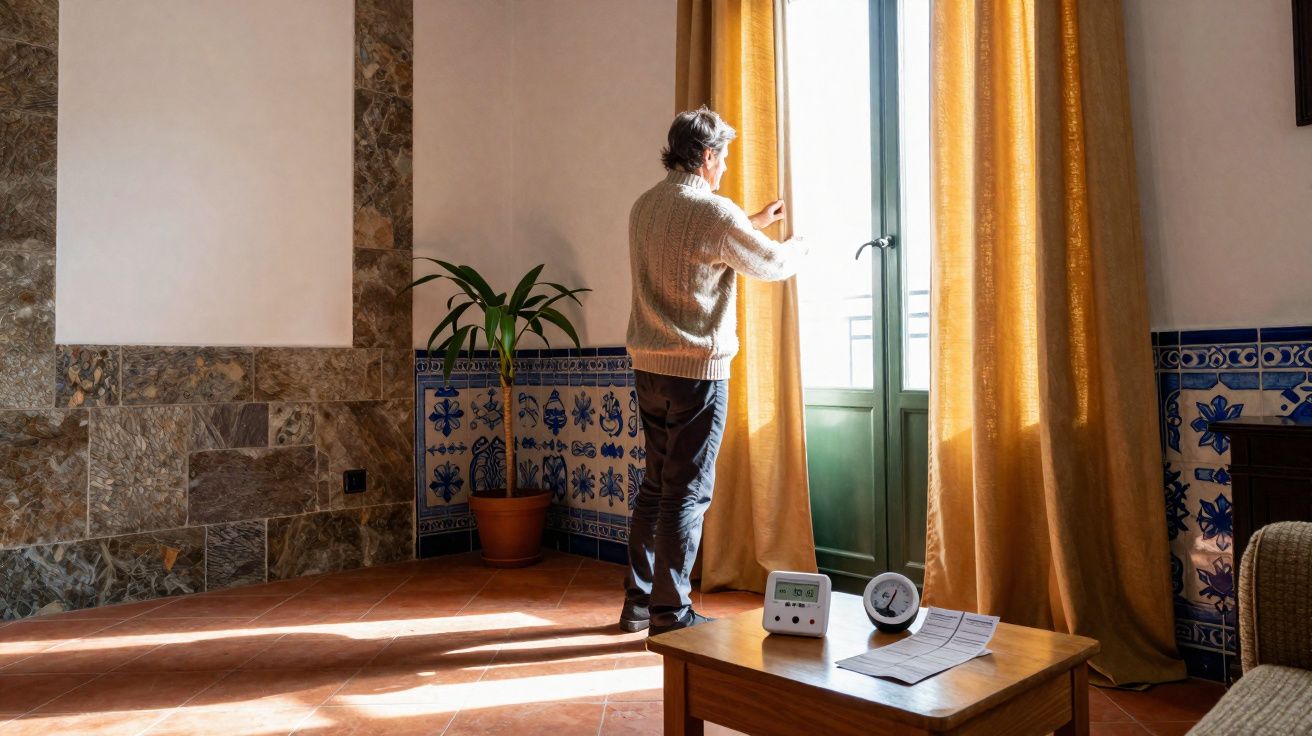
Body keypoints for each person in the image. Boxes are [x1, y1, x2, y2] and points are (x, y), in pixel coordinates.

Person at [622, 107, 807, 634]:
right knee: (688, 491)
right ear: (705, 155)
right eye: (722, 157)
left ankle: (638, 602)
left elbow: (692, 248)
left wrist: (751, 223)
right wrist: (801, 244)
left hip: (648, 367)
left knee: (656, 485)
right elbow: (769, 265)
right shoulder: (713, 212)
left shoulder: (644, 207)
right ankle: (671, 612)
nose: (724, 167)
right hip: (697, 373)